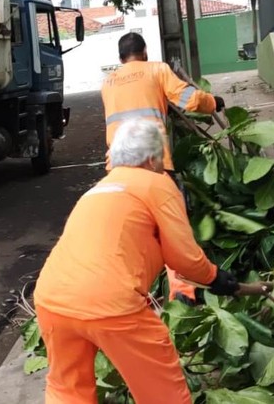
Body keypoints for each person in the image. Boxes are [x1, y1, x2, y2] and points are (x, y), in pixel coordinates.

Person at [33, 119, 241, 404]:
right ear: (153, 158)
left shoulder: (98, 189)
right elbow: (183, 255)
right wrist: (214, 277)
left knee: (67, 388)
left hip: (52, 300)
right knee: (161, 391)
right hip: (111, 305)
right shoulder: (156, 184)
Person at [100, 32, 226, 304]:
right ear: (144, 53)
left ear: (120, 58)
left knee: (134, 231)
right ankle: (182, 291)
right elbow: (189, 100)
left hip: (117, 170)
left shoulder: (108, 82)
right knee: (171, 228)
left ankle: (127, 295)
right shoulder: (156, 69)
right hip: (153, 162)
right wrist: (214, 102)